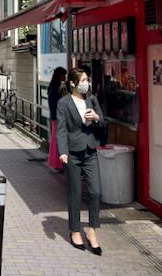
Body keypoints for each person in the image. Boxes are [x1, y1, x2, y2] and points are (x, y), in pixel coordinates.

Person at [57, 68, 106, 255]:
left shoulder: (92, 99)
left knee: (95, 192)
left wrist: (96, 118)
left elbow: (103, 122)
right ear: (73, 83)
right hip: (72, 153)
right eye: (84, 80)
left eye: (88, 79)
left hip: (90, 150)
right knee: (75, 194)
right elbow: (61, 129)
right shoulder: (64, 103)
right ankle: (75, 230)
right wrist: (62, 152)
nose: (87, 83)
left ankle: (92, 230)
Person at [47, 67, 68, 171]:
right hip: (57, 118)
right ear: (59, 75)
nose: (64, 77)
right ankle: (57, 163)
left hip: (55, 117)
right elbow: (54, 105)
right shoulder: (55, 89)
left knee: (56, 140)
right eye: (63, 75)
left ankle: (56, 163)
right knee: (57, 140)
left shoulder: (53, 87)